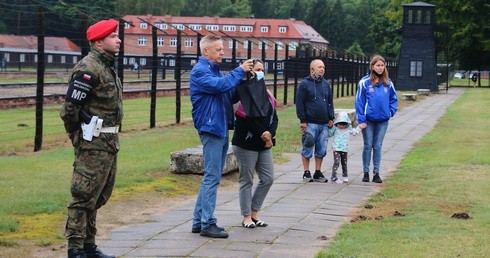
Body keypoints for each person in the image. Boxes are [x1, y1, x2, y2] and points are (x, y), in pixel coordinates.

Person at [60, 19, 122, 258]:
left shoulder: (106, 66)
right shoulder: (89, 68)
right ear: (98, 41)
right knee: (83, 195)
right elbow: (70, 109)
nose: (118, 40)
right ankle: (75, 249)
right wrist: (77, 134)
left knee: (98, 196)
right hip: (92, 143)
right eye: (113, 36)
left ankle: (89, 246)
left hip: (107, 143)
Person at [190, 34, 254, 238]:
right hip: (211, 127)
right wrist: (238, 71)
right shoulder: (200, 72)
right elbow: (219, 86)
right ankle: (208, 223)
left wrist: (244, 80)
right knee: (211, 176)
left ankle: (198, 221)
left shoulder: (215, 71)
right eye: (218, 49)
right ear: (206, 51)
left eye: (222, 49)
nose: (223, 53)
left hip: (219, 126)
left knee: (212, 176)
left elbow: (228, 93)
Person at [232, 59, 278, 228]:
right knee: (247, 180)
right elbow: (245, 119)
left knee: (268, 178)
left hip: (265, 144)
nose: (260, 72)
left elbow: (274, 116)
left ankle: (254, 212)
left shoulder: (267, 94)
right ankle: (246, 217)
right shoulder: (242, 93)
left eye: (262, 70)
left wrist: (270, 134)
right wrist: (263, 134)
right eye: (257, 69)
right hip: (246, 144)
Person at [355, 54, 398, 184]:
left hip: (383, 120)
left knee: (378, 146)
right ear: (372, 66)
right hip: (368, 120)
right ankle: (366, 172)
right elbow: (359, 102)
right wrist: (361, 120)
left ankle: (376, 173)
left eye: (382, 65)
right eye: (377, 65)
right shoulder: (364, 83)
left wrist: (390, 112)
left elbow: (394, 99)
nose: (380, 68)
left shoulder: (388, 83)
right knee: (368, 145)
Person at [295, 59, 335, 182]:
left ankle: (318, 172)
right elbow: (300, 103)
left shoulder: (326, 84)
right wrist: (302, 120)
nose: (322, 69)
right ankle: (306, 172)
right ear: (312, 69)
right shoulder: (304, 84)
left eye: (323, 67)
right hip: (310, 122)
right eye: (319, 67)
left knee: (321, 148)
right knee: (307, 146)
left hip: (324, 123)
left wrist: (331, 117)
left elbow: (330, 102)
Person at [328, 112, 360, 183]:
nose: (342, 126)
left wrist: (359, 127)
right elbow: (329, 134)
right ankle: (333, 176)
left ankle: (345, 175)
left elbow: (354, 132)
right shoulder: (335, 129)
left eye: (344, 124)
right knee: (336, 162)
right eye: (340, 124)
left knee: (344, 163)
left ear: (346, 124)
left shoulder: (348, 129)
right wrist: (330, 127)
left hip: (344, 149)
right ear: (337, 123)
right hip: (336, 148)